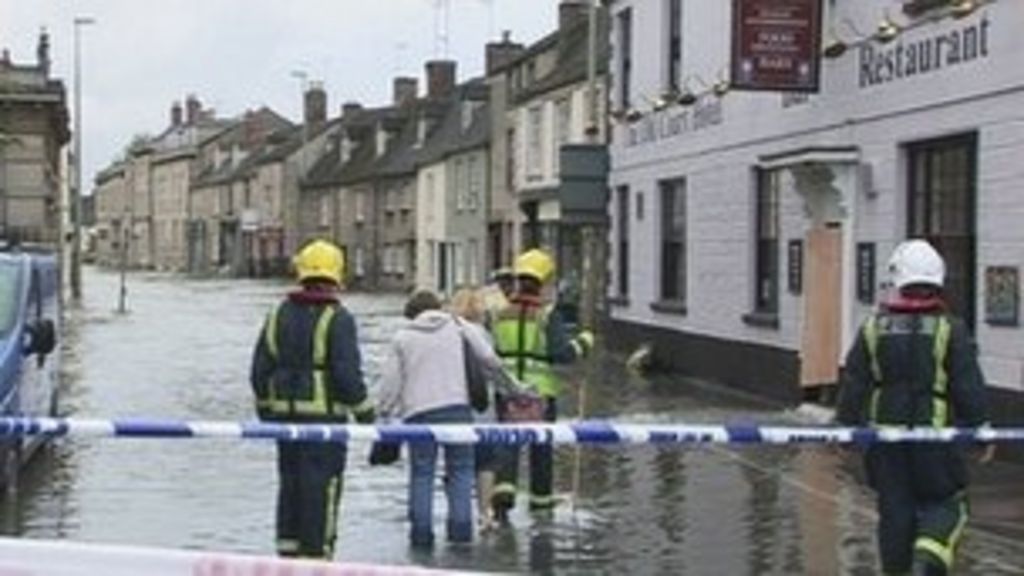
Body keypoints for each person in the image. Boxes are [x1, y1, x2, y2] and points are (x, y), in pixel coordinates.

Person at [836, 239, 994, 576]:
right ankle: (926, 562)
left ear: (898, 280)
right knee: (948, 504)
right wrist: (979, 432)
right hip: (934, 442)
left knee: (895, 511)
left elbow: (854, 383)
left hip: (885, 445)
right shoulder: (950, 329)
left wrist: (845, 431)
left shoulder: (872, 328)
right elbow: (968, 386)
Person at [249, 239, 376, 559]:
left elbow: (259, 369)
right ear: (336, 276)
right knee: (321, 491)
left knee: (289, 488)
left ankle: (287, 558)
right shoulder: (338, 318)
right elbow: (347, 376)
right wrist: (366, 414)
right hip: (324, 425)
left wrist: (266, 410)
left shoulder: (277, 313)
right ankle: (317, 560)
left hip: (284, 423)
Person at [378, 289, 504, 548]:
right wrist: (513, 388)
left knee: (422, 473)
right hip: (458, 410)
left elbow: (391, 384)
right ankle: (461, 536)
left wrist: (383, 413)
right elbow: (490, 360)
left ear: (411, 314)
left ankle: (421, 538)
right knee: (461, 471)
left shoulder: (403, 337)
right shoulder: (460, 327)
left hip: (418, 415)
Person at [490, 248, 594, 519]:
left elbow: (490, 351)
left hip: (507, 390)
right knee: (541, 449)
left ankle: (504, 490)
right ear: (543, 283)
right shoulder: (548, 316)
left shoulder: (500, 313)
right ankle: (540, 504)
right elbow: (561, 354)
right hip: (541, 394)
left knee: (507, 441)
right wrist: (584, 343)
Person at [449, 287, 526, 532]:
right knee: (486, 464)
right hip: (483, 409)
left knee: (458, 464)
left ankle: (457, 515)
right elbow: (495, 369)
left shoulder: (448, 335)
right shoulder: (483, 335)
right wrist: (517, 391)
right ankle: (485, 515)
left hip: (454, 408)